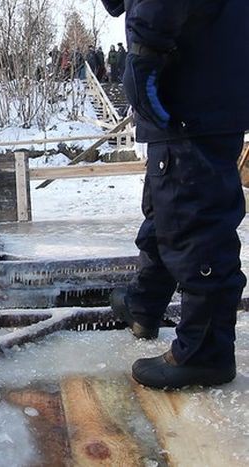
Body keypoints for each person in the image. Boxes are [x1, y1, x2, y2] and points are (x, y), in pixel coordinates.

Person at [102, 0, 249, 389]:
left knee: (194, 224)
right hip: (196, 94)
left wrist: (144, 57)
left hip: (192, 101)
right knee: (165, 211)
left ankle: (205, 352)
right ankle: (144, 304)